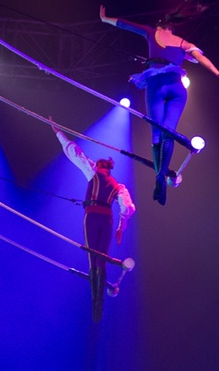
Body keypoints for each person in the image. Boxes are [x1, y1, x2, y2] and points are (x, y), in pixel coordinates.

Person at [99, 0, 219, 205]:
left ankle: (159, 176)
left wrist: (105, 18)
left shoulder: (151, 33)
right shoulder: (183, 43)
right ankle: (160, 177)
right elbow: (200, 59)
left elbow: (126, 25)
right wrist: (217, 72)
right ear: (173, 27)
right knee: (168, 132)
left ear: (159, 25)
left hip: (157, 87)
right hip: (178, 90)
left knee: (157, 135)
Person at [52, 121, 135, 322]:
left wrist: (57, 131)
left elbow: (75, 154)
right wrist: (120, 228)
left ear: (99, 165)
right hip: (107, 220)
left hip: (92, 218)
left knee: (92, 257)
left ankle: (95, 301)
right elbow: (128, 208)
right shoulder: (118, 185)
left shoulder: (93, 172)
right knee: (102, 258)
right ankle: (99, 303)